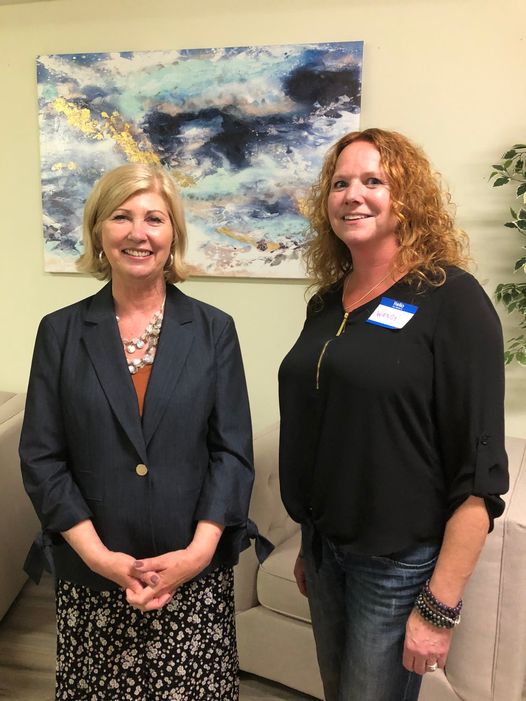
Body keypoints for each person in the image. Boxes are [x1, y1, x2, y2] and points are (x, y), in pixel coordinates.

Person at [278, 128, 509, 701]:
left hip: (396, 566)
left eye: (373, 181)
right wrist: (310, 541)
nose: (352, 195)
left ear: (407, 197)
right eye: (340, 183)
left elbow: (479, 471)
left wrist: (439, 607)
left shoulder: (451, 299)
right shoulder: (326, 303)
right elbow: (329, 432)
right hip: (325, 551)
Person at [20, 163, 264, 700]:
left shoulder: (213, 330)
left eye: (155, 218)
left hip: (191, 577)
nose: (139, 232)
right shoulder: (60, 332)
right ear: (98, 231)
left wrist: (196, 555)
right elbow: (42, 457)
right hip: (94, 576)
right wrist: (99, 557)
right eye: (121, 216)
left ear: (173, 234)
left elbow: (231, 452)